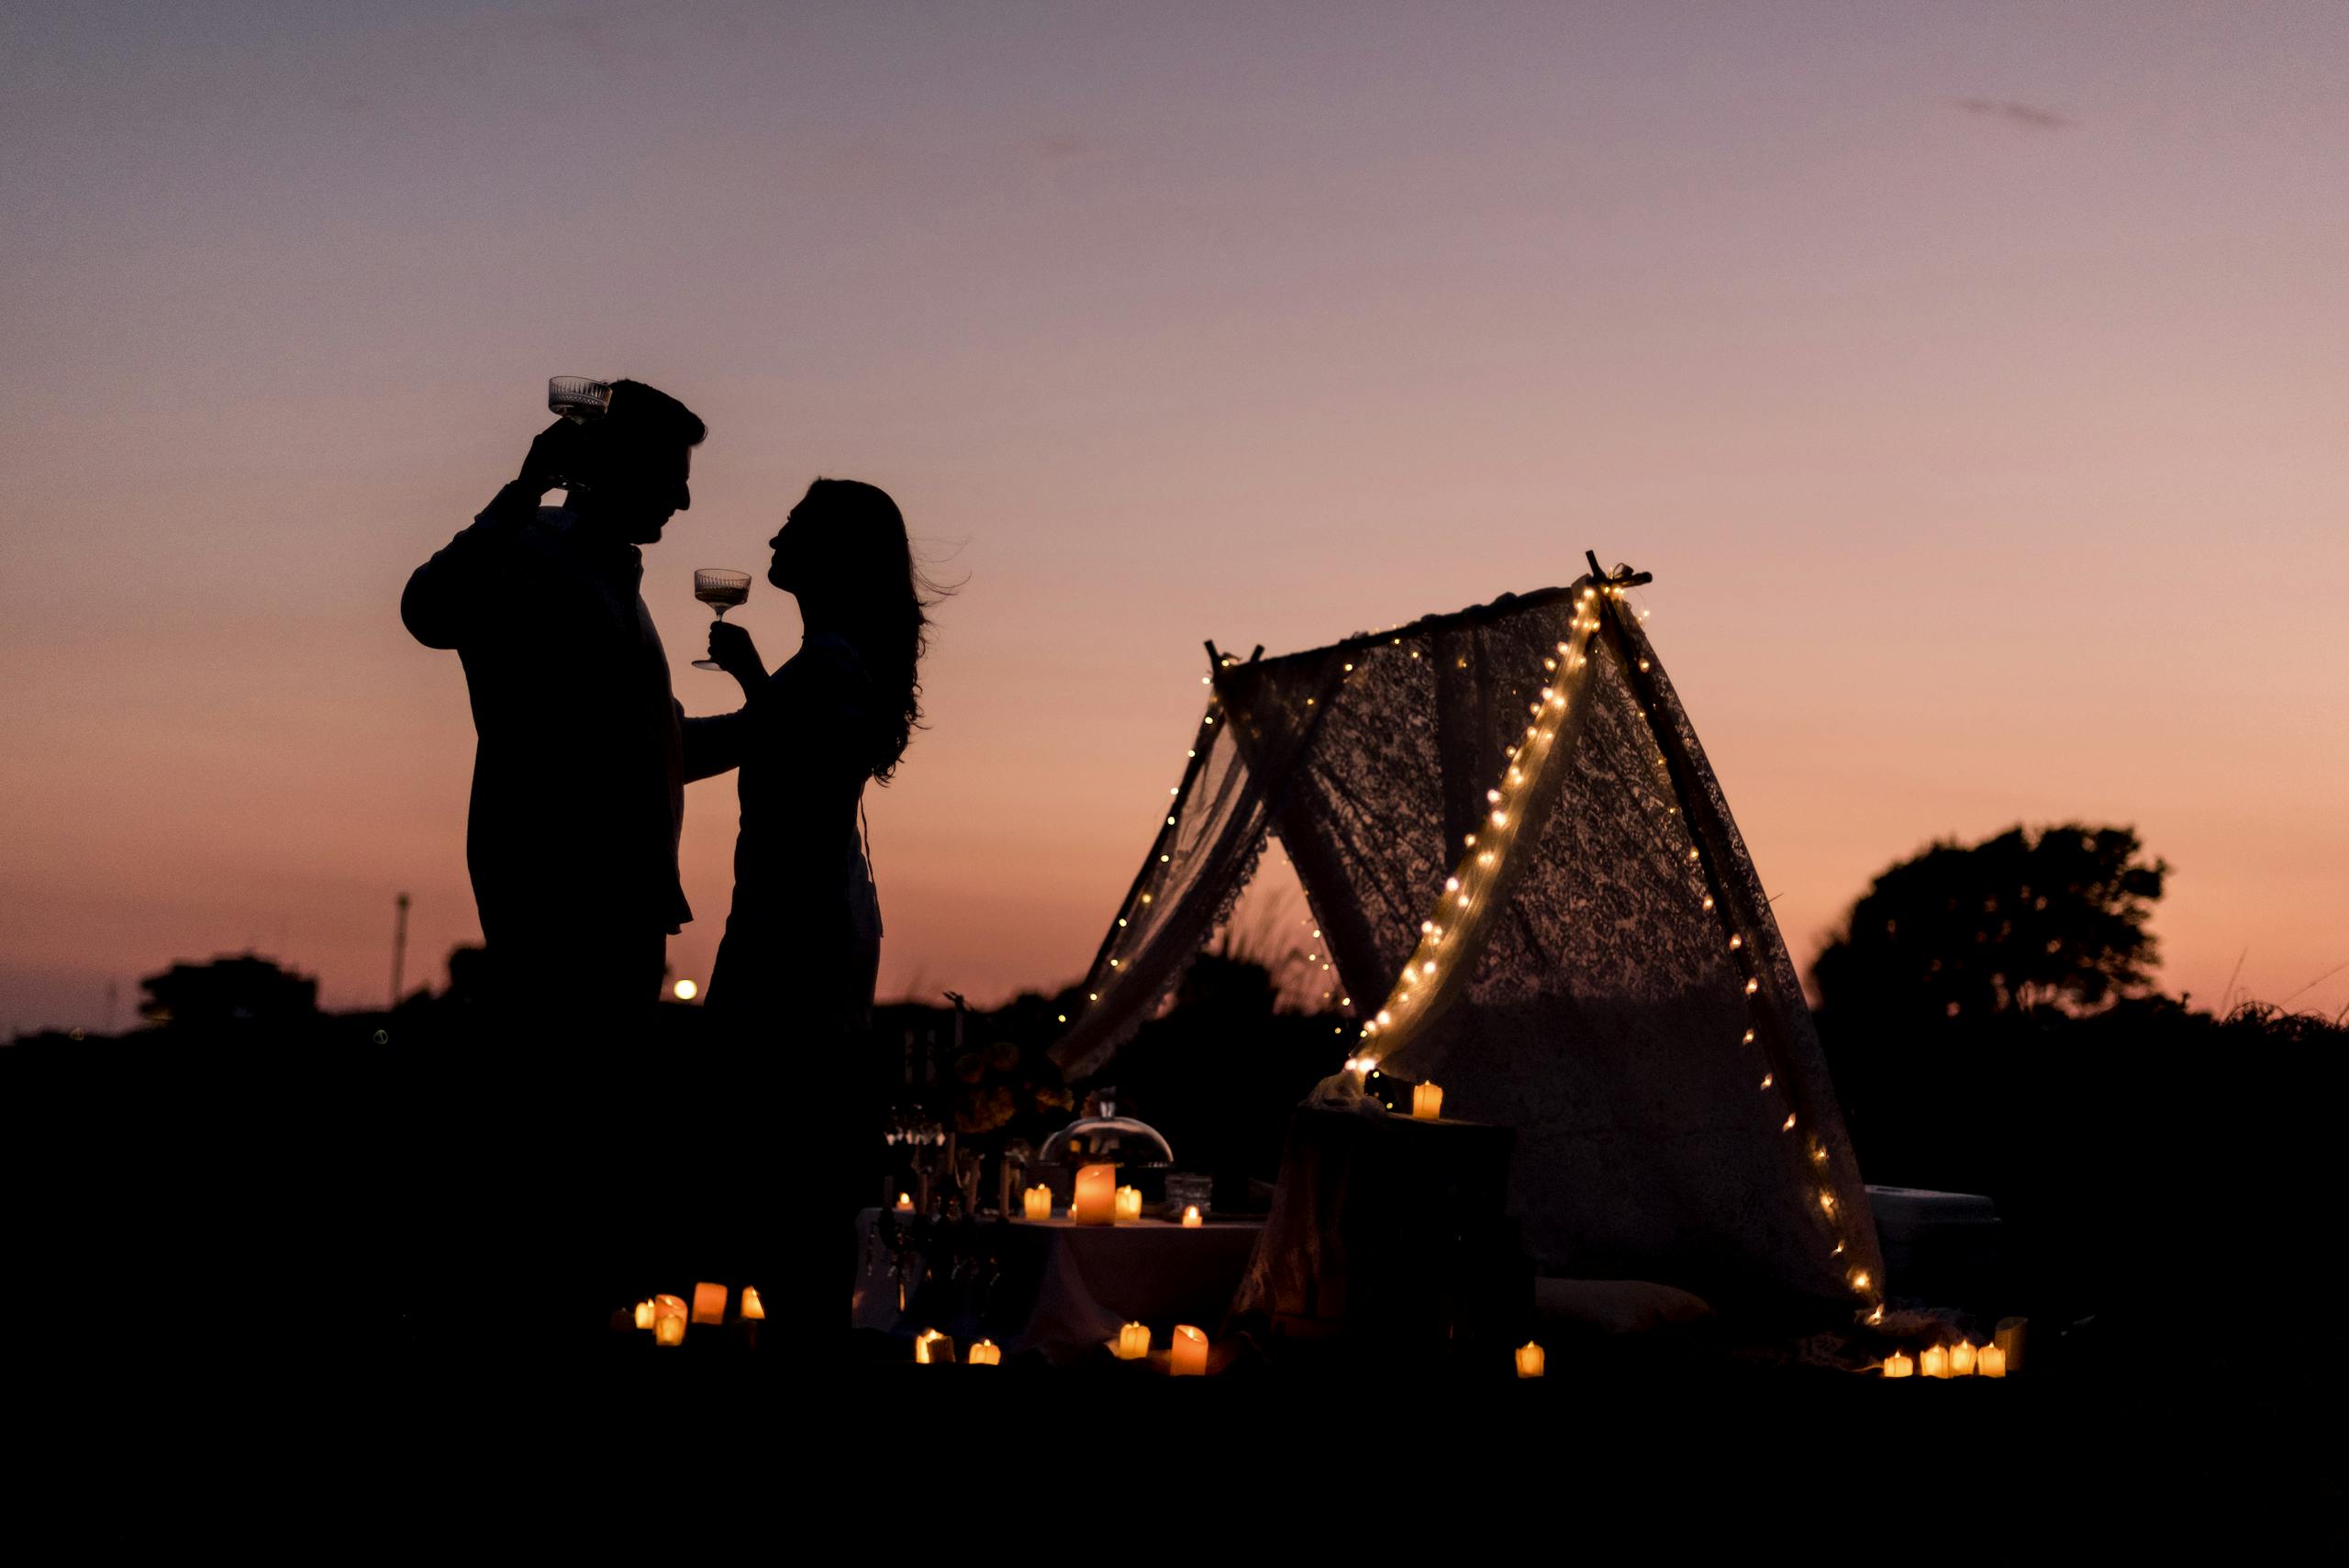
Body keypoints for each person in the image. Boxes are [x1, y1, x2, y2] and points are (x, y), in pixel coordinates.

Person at [399, 379, 718, 1342]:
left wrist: (767, 723)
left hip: (625, 914)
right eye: (671, 475)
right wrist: (522, 487)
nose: (685, 500)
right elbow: (426, 608)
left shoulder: (620, 586)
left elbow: (658, 748)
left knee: (592, 1167)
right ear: (608, 469)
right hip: (554, 906)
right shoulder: (528, 557)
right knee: (547, 1162)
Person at [687, 478, 937, 1318]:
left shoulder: (829, 660)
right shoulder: (831, 656)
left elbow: (745, 751)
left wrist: (625, 733)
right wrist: (760, 678)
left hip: (793, 931)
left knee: (776, 1169)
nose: (775, 536)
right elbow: (795, 748)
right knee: (794, 1163)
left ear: (834, 554)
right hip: (815, 917)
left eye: (795, 525)